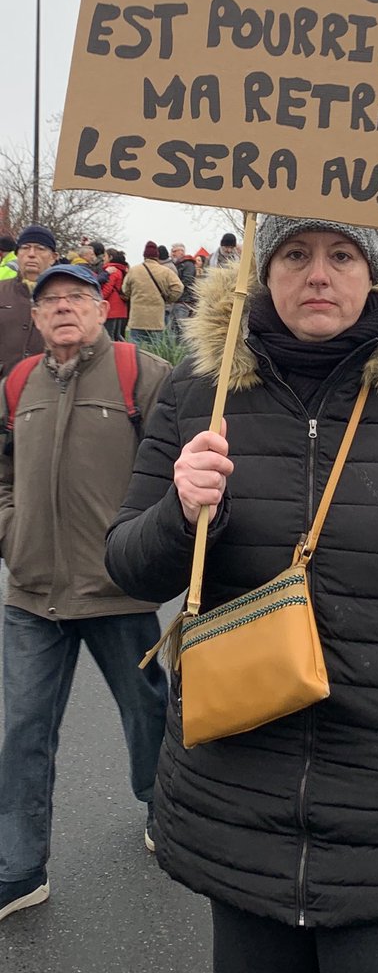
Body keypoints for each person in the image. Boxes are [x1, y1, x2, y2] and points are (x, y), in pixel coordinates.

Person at [106, 216, 378, 973]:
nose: (319, 275)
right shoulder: (201, 390)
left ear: (374, 270)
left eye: (342, 255)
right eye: (295, 255)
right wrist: (181, 513)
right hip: (238, 795)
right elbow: (131, 570)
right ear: (263, 272)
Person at [0, 264, 171, 923]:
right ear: (36, 318)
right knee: (22, 731)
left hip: (117, 589)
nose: (62, 309)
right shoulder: (18, 384)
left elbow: (178, 462)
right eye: (50, 302)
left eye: (76, 298)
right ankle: (19, 869)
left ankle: (162, 808)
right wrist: (10, 530)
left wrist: (146, 545)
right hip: (32, 590)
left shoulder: (142, 374)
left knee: (149, 713)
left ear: (102, 310)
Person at [0, 225, 57, 376]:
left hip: (46, 387)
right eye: (25, 248)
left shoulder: (64, 298)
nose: (31, 254)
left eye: (40, 248)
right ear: (17, 254)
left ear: (53, 257)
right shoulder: (2, 291)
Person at [122, 241, 183, 345]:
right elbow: (179, 287)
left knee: (136, 352)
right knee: (155, 352)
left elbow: (125, 289)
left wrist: (132, 295)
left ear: (144, 256)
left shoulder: (134, 271)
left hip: (138, 319)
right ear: (157, 256)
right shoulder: (165, 271)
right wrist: (169, 299)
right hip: (156, 320)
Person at [102, 248, 129, 340]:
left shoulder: (112, 271)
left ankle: (114, 354)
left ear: (110, 257)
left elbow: (107, 289)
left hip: (112, 307)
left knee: (109, 336)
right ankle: (127, 350)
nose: (103, 258)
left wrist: (99, 298)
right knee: (117, 335)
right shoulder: (122, 270)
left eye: (105, 256)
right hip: (120, 307)